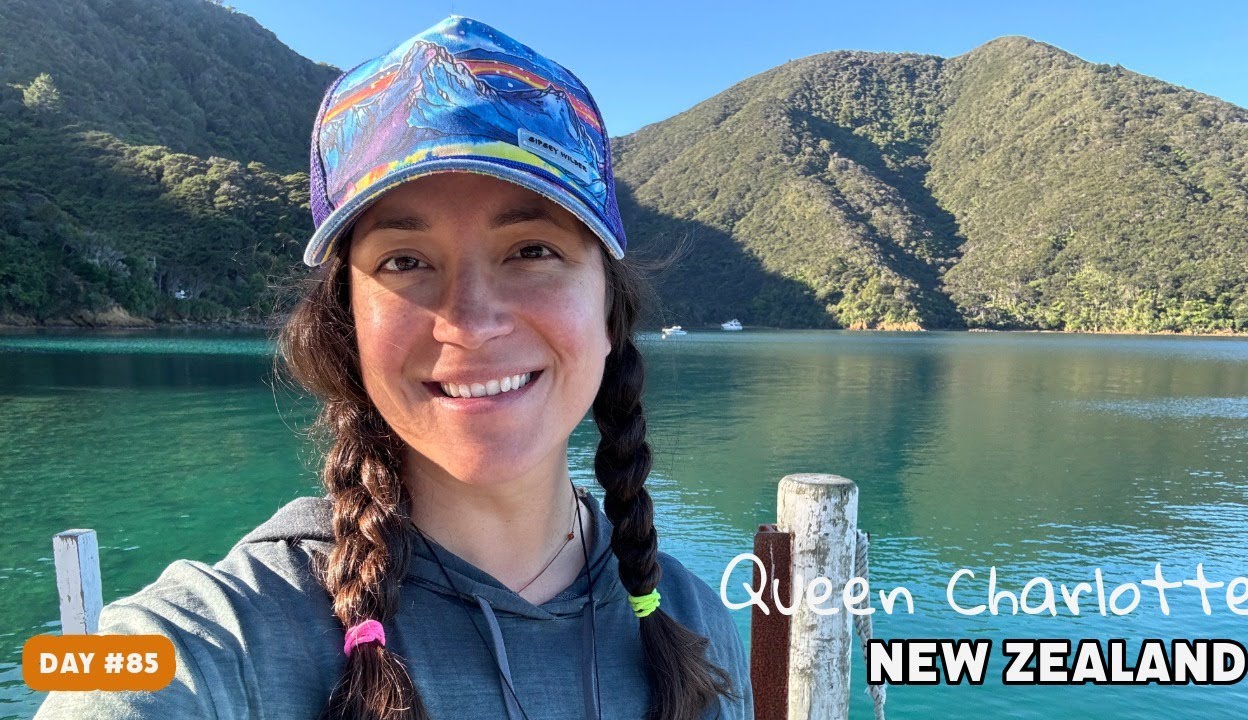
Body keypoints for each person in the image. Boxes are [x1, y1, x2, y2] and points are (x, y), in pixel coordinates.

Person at [35, 15, 753, 720]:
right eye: (405, 262)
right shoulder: (229, 638)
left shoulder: (696, 622)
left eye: (532, 250)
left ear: (608, 308)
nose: (470, 321)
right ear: (348, 323)